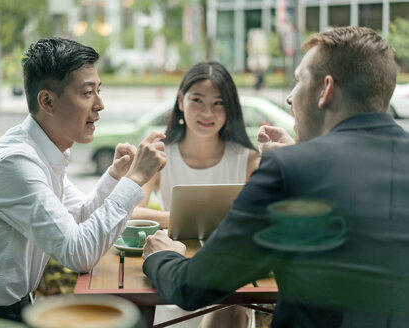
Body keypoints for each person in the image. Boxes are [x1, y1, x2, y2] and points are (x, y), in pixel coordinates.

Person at [142, 26, 409, 327]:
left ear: (326, 90)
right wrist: (300, 152)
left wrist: (160, 256)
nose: (289, 98)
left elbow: (191, 288)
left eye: (298, 81)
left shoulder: (289, 169)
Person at [0, 37, 166, 322]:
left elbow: (81, 217)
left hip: (11, 312)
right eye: (87, 93)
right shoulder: (16, 164)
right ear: (47, 101)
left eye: (99, 90)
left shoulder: (44, 153)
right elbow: (79, 253)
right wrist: (135, 180)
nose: (100, 105)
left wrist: (115, 176)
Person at [132, 61, 260, 327]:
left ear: (230, 108)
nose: (207, 112)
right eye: (197, 100)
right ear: (181, 100)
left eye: (218, 103)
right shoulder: (160, 152)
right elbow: (132, 213)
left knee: (231, 305)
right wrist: (182, 218)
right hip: (173, 267)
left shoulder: (248, 158)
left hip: (227, 275)